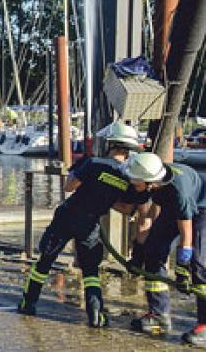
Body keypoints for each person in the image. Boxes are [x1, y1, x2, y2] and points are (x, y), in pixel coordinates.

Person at [17, 121, 153, 326]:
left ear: (110, 144)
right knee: (90, 271)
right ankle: (96, 315)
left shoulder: (92, 163)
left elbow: (68, 187)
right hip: (90, 224)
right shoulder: (127, 177)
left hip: (66, 218)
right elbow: (127, 209)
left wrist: (85, 181)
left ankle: (28, 303)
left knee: (45, 260)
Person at [128, 152, 206, 344]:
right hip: (175, 208)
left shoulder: (179, 192)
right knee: (153, 251)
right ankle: (159, 315)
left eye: (136, 181)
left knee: (198, 262)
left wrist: (182, 265)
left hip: (201, 208)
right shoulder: (151, 184)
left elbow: (186, 233)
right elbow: (148, 218)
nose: (132, 183)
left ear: (150, 182)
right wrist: (139, 251)